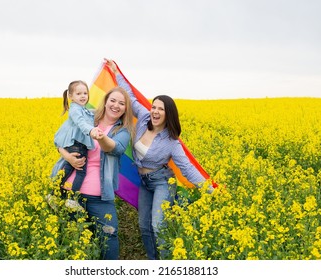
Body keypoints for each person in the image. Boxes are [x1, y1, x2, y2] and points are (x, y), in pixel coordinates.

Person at [105, 58, 213, 260]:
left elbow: (188, 169)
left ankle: (165, 263)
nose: (154, 111)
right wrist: (116, 72)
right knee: (144, 226)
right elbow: (130, 97)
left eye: (160, 109)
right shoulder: (145, 117)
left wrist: (210, 190)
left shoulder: (172, 141)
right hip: (144, 182)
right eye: (154, 107)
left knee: (158, 225)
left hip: (162, 181)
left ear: (168, 114)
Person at [51, 85, 134, 260]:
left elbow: (115, 149)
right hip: (70, 190)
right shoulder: (86, 117)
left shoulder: (123, 131)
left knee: (109, 236)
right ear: (105, 102)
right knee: (72, 239)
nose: (116, 105)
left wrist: (102, 137)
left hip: (100, 196)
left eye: (121, 103)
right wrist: (69, 157)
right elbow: (61, 139)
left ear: (126, 108)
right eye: (112, 100)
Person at [50, 80, 101, 209]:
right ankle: (72, 200)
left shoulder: (80, 109)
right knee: (81, 171)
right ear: (71, 96)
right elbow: (81, 122)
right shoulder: (75, 110)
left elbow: (90, 114)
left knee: (68, 167)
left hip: (75, 144)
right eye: (79, 93)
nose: (83, 96)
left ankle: (54, 193)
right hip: (77, 144)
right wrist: (91, 130)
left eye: (85, 93)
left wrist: (103, 109)